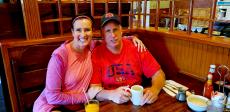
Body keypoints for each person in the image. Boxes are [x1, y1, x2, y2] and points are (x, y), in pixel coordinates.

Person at [33, 14, 146, 112]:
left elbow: (110, 38)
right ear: (72, 32)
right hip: (52, 106)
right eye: (78, 30)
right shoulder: (59, 56)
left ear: (92, 31)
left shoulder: (91, 46)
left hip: (80, 107)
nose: (83, 34)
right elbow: (52, 97)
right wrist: (86, 96)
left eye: (87, 29)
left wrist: (132, 38)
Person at [89, 13, 166, 105]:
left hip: (137, 101)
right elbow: (94, 90)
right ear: (102, 35)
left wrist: (154, 89)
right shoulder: (96, 53)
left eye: (115, 29)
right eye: (108, 31)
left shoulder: (136, 46)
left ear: (121, 30)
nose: (113, 35)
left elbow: (158, 73)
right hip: (111, 103)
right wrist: (112, 94)